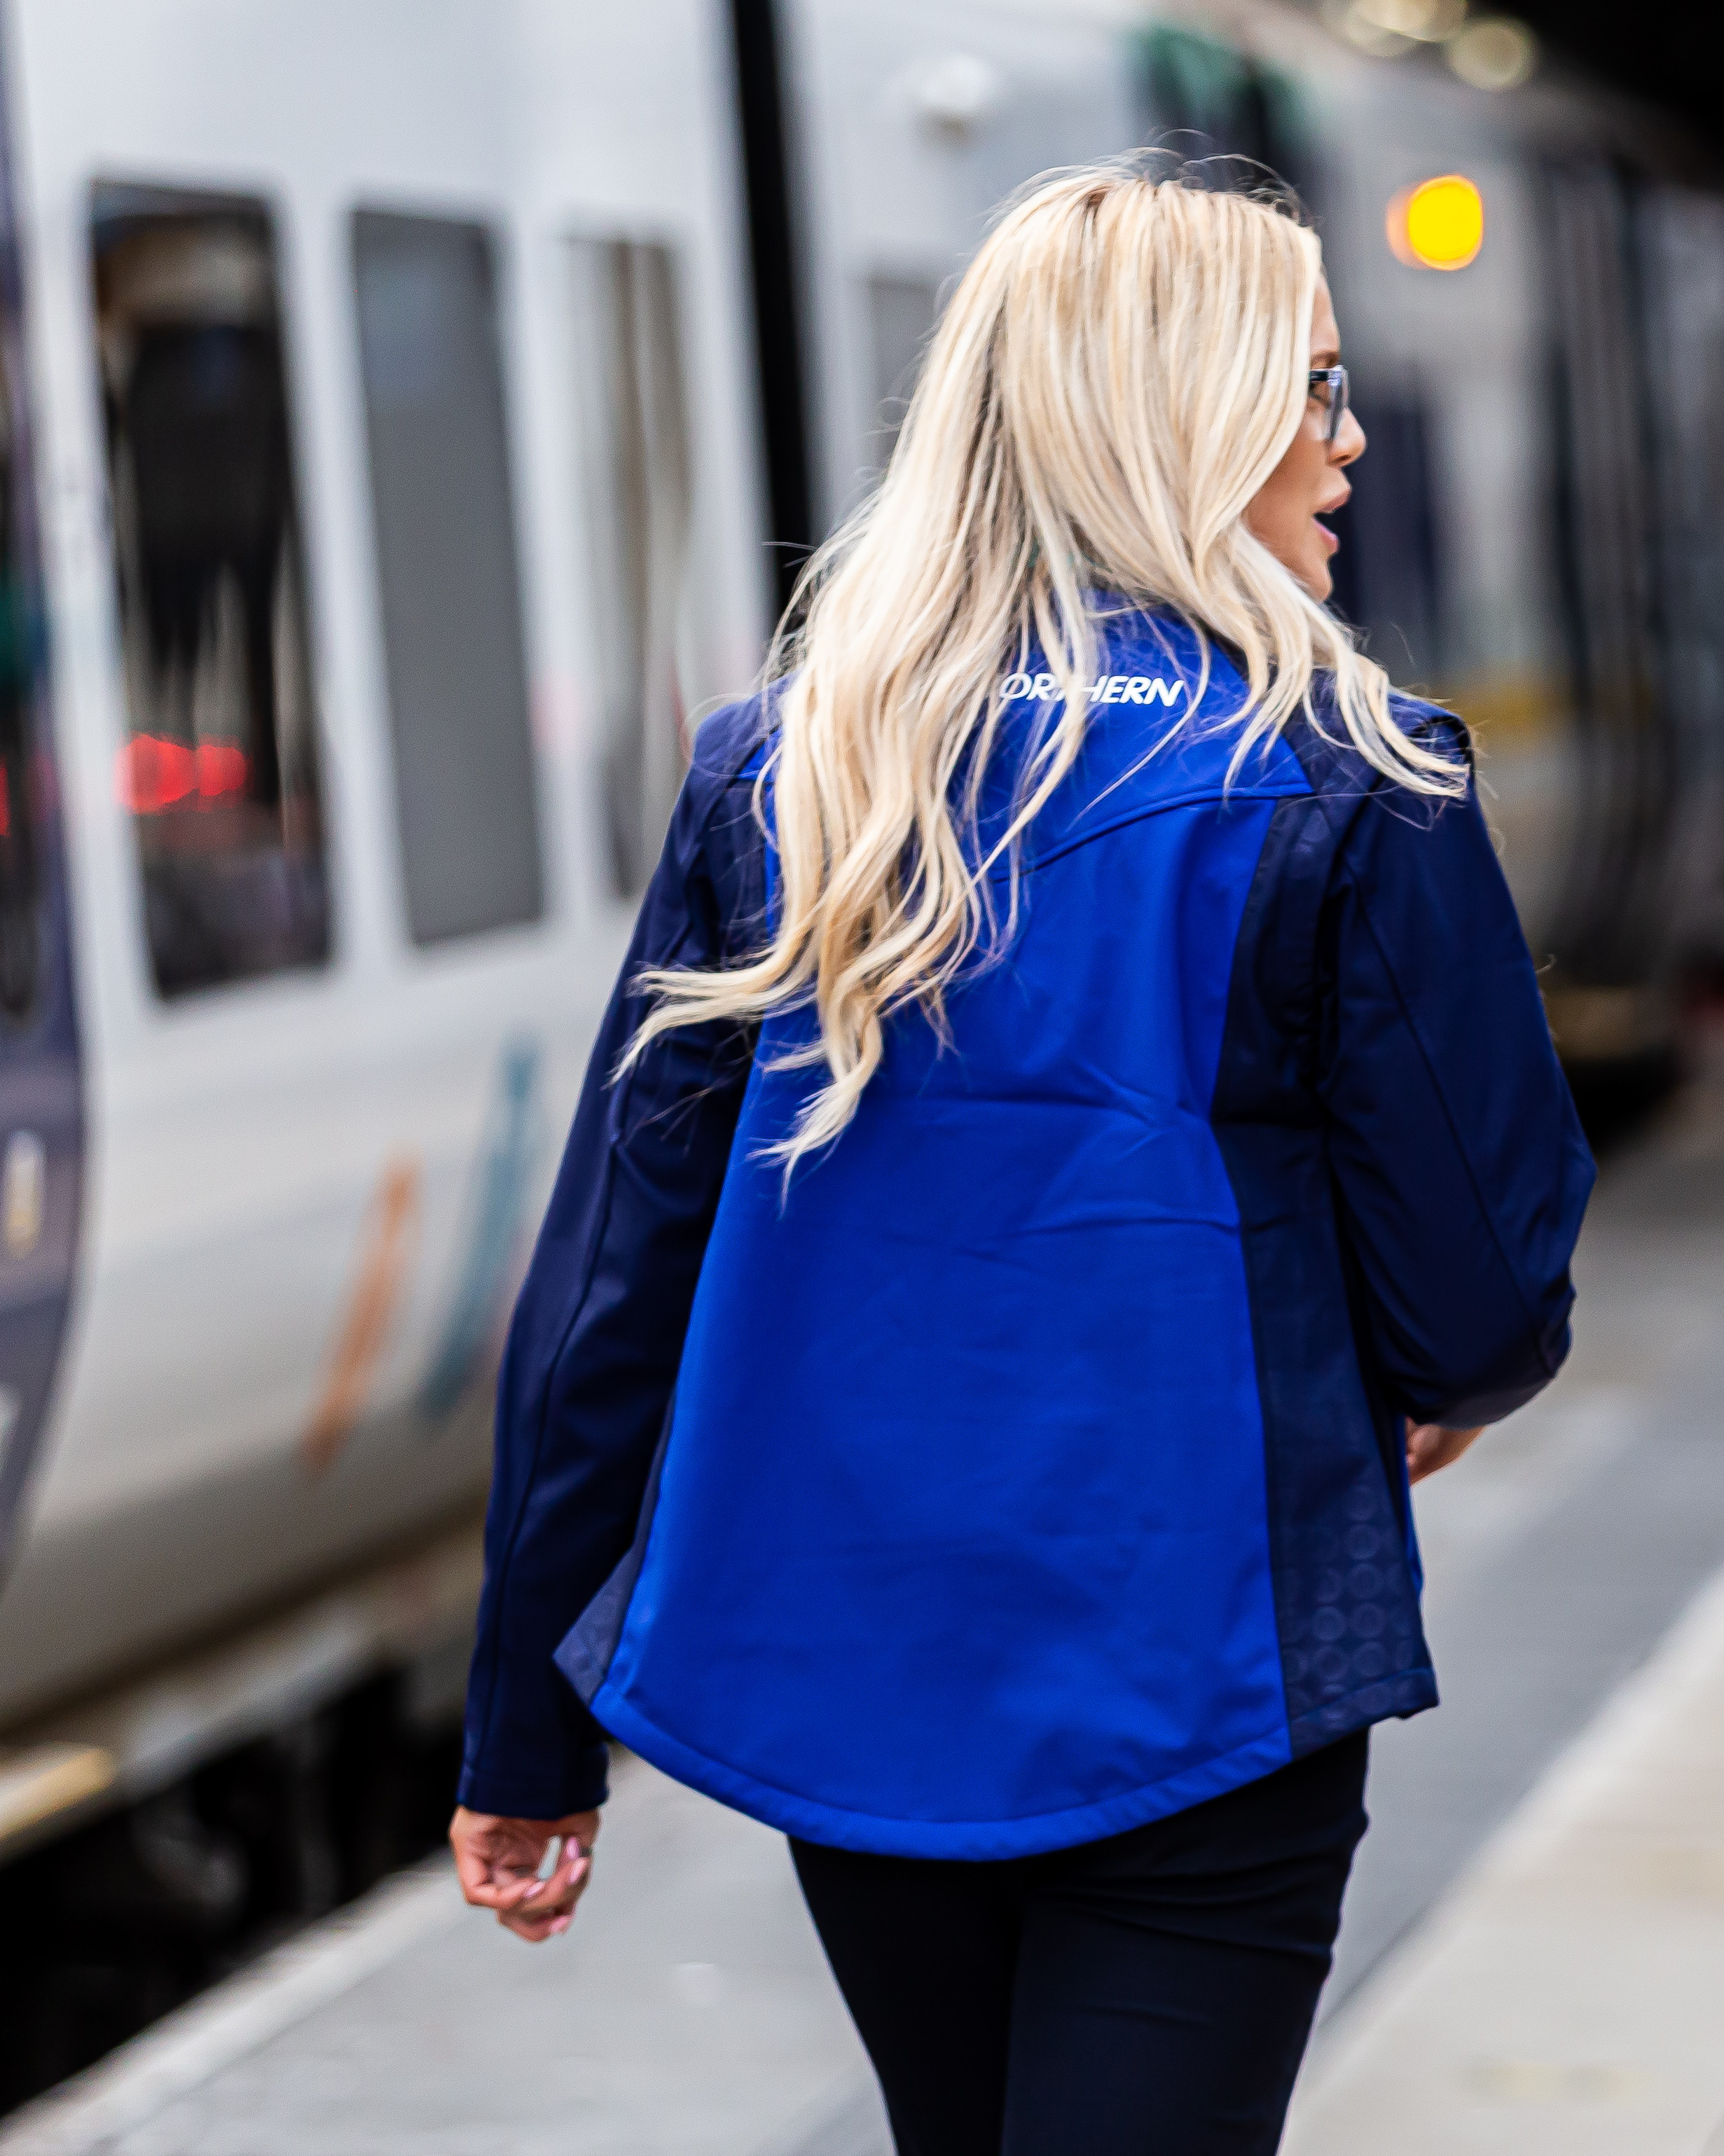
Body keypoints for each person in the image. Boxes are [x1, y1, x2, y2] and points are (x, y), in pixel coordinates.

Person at [445, 162, 1592, 2156]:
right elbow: (1482, 1292)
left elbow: (611, 1292)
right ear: (1191, 420)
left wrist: (527, 1731)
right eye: (1316, 390)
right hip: (1202, 1653)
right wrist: (1437, 1383)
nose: (1354, 439)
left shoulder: (791, 763)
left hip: (853, 1665)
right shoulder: (1347, 773)